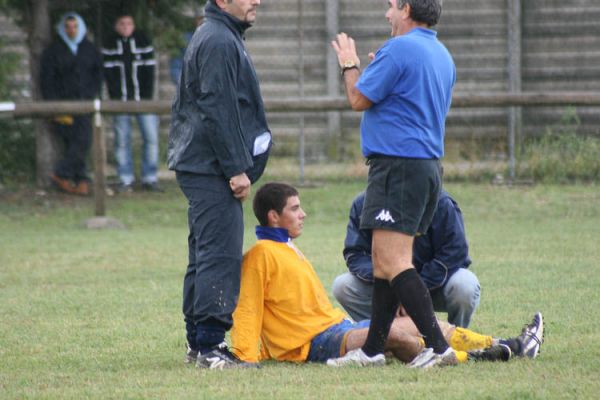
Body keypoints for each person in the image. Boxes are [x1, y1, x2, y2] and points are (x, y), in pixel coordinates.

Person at [230, 182, 544, 368]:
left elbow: (456, 253)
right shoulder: (261, 254)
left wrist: (405, 292)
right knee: (393, 335)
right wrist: (245, 356)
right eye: (295, 208)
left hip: (339, 326)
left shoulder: (286, 248)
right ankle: (471, 358)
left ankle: (510, 345)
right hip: (314, 344)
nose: (303, 214)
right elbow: (248, 307)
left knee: (424, 323)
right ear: (274, 216)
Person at [330, 0, 457, 367]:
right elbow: (405, 103)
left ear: (405, 8)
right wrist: (380, 68)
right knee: (382, 262)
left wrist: (350, 65)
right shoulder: (441, 53)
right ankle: (372, 350)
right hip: (426, 168)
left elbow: (357, 98)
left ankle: (438, 346)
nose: (387, 14)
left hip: (398, 168)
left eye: (390, 6)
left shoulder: (399, 48)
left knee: (394, 262)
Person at [167, 0, 271, 369]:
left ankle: (199, 343)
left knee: (205, 252)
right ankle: (210, 346)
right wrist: (236, 167)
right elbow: (217, 106)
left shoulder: (220, 35)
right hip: (210, 166)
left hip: (203, 163)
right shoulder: (218, 40)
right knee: (220, 253)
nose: (257, 0)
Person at [333, 190, 480, 328]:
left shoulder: (440, 202)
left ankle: (457, 337)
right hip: (387, 286)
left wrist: (411, 291)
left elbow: (454, 251)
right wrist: (391, 287)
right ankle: (389, 335)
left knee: (465, 285)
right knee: (343, 286)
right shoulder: (364, 203)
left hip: (434, 284)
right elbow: (356, 253)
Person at [41, 12, 102, 195]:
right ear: (62, 29)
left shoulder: (89, 49)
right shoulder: (54, 51)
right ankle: (78, 179)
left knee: (83, 140)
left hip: (85, 104)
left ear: (81, 27)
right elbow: (47, 80)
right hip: (62, 105)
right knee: (72, 142)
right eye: (67, 27)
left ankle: (68, 175)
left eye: (75, 26)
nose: (71, 30)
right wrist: (53, 106)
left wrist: (93, 96)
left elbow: (97, 75)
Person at [102, 14, 161, 192]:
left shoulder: (143, 41)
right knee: (122, 140)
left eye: (129, 23)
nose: (126, 26)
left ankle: (149, 177)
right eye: (122, 23)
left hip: (143, 99)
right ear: (116, 26)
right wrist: (116, 96)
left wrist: (145, 97)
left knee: (151, 138)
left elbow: (149, 72)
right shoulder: (110, 44)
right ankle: (125, 178)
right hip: (120, 101)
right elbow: (109, 74)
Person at [169, 14, 204, 85]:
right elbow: (175, 67)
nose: (204, 22)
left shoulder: (221, 41)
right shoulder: (184, 40)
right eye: (201, 18)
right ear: (196, 20)